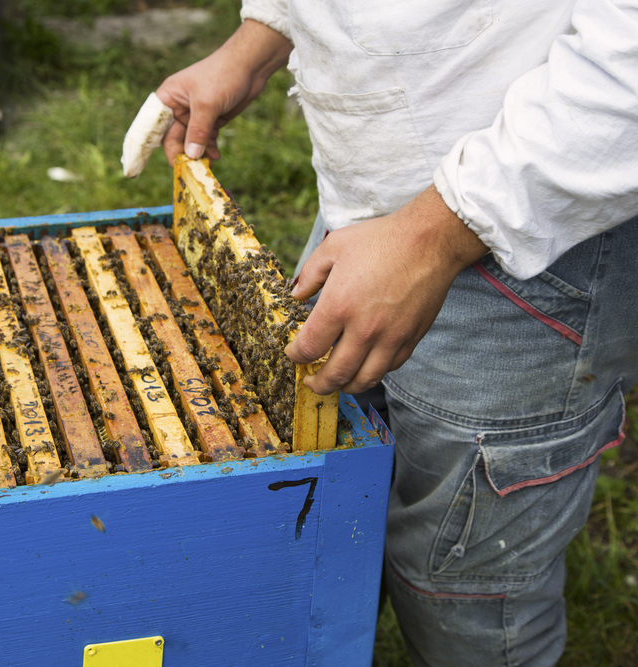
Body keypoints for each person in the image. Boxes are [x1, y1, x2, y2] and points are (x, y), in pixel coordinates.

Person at [155, 2, 638, 665]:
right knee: (323, 495)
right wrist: (260, 39)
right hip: (365, 223)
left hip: (531, 241)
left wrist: (437, 233)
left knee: (462, 590)